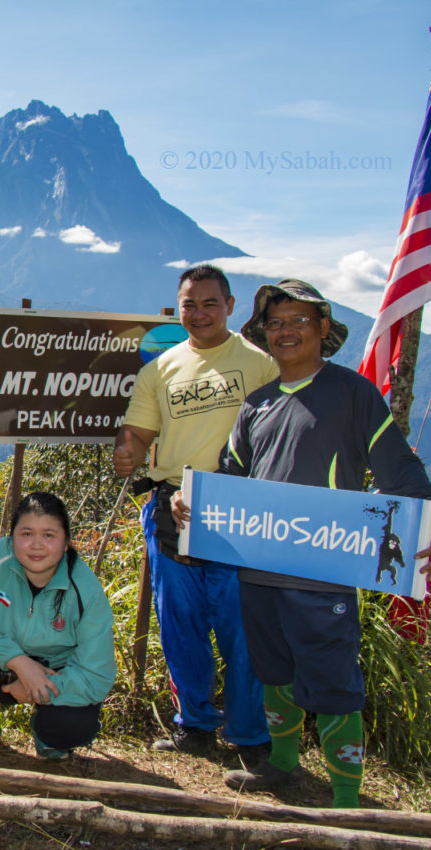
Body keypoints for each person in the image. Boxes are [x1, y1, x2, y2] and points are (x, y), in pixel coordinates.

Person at [172, 279, 431, 808]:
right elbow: (229, 479)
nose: (285, 331)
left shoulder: (351, 394)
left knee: (332, 677)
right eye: (275, 323)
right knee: (271, 667)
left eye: (298, 320)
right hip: (258, 570)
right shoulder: (256, 406)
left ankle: (346, 795)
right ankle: (282, 763)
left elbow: (397, 466)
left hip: (324, 571)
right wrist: (193, 506)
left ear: (323, 328)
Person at [112, 264, 276, 759]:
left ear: (230, 306)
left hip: (241, 509)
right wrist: (128, 451)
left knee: (241, 626)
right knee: (179, 622)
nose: (199, 313)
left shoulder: (260, 364)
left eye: (210, 303)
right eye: (189, 304)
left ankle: (251, 734)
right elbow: (140, 431)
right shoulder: (160, 369)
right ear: (178, 307)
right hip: (172, 505)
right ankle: (196, 724)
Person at [0, 492, 115, 766]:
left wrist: (42, 687)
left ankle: (49, 737)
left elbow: (97, 675)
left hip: (54, 671)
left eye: (49, 535)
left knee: (73, 724)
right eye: (26, 533)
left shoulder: (85, 589)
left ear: (66, 544)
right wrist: (20, 663)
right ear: (11, 537)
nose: (37, 545)